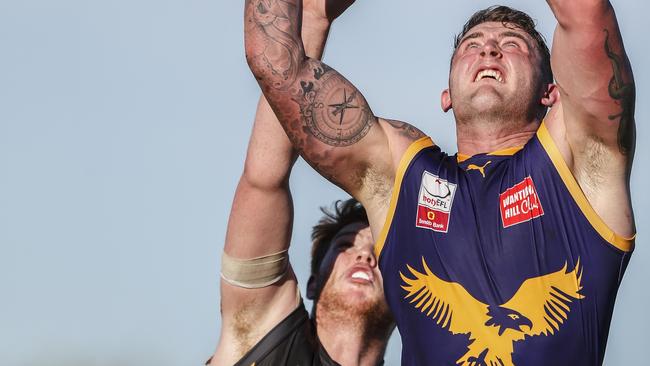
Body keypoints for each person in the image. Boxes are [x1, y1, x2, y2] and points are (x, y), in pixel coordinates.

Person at [244, 0, 636, 365]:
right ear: (446, 96)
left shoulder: (580, 160)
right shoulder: (400, 174)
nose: (489, 51)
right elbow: (276, 63)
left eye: (511, 44)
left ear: (552, 92)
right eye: (471, 45)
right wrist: (315, 11)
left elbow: (586, 16)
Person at [209, 2, 393, 365]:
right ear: (313, 282)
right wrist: (312, 16)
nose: (364, 256)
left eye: (382, 254)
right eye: (344, 244)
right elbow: (264, 179)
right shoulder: (261, 331)